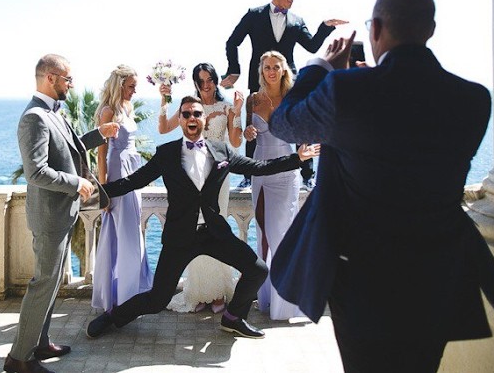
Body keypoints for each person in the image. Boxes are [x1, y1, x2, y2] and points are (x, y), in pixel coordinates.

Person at [268, 0, 494, 372]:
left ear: (377, 29)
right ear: (430, 29)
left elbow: (284, 123)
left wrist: (320, 67)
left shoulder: (346, 91)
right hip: (438, 271)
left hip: (364, 280)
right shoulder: (474, 99)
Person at [85, 96, 319, 341]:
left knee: (257, 270)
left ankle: (233, 318)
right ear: (180, 120)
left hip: (213, 233)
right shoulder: (166, 154)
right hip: (180, 236)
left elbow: (258, 167)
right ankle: (112, 317)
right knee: (157, 300)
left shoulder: (221, 151)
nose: (192, 118)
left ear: (204, 118)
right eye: (186, 114)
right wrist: (96, 192)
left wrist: (297, 159)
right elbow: (133, 181)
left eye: (197, 113)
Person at [5, 54, 119, 373]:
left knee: (52, 283)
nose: (71, 84)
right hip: (49, 216)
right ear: (50, 78)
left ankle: (39, 343)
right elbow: (35, 172)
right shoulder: (34, 117)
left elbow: (70, 148)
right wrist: (76, 183)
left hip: (61, 213)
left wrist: (99, 134)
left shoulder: (52, 112)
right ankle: (19, 358)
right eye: (68, 78)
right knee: (43, 283)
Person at [220, 0, 347, 188]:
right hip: (259, 78)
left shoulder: (297, 21)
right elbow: (232, 42)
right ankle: (249, 176)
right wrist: (234, 70)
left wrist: (325, 26)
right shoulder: (253, 15)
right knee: (253, 124)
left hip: (289, 81)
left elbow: (312, 46)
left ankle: (307, 174)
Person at [158, 62, 244, 313]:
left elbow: (235, 142)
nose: (206, 86)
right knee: (195, 230)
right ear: (196, 83)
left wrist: (238, 112)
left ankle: (217, 293)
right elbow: (163, 129)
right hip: (193, 178)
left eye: (210, 80)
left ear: (216, 81)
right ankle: (199, 292)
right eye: (201, 81)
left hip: (218, 180)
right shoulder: (190, 107)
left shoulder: (226, 107)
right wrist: (163, 100)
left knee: (217, 231)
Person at [243, 51, 303, 320]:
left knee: (282, 235)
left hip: (286, 173)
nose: (271, 71)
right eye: (266, 67)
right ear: (261, 71)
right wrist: (248, 132)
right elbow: (247, 135)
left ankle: (286, 303)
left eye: (275, 67)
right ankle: (266, 298)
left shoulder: (294, 97)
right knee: (264, 235)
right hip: (260, 170)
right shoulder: (252, 100)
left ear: (283, 70)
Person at [91, 65, 154, 311]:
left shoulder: (128, 107)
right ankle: (123, 296)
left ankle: (130, 290)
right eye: (131, 86)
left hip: (133, 169)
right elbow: (101, 153)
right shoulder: (108, 111)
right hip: (118, 169)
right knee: (123, 232)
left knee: (132, 228)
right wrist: (104, 191)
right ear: (119, 86)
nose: (134, 91)